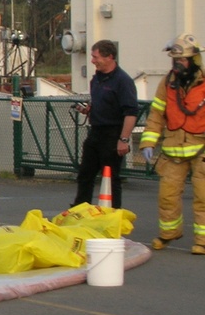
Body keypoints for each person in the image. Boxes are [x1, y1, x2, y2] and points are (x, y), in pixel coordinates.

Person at [138, 34, 205, 254]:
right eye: (175, 60)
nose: (178, 64)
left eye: (182, 60)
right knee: (167, 194)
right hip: (174, 147)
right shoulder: (167, 83)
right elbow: (157, 114)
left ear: (193, 60)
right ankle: (169, 233)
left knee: (203, 196)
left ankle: (202, 241)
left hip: (201, 147)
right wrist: (148, 142)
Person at [71, 39, 139, 209]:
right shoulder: (97, 80)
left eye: (95, 57)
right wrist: (89, 110)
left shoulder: (123, 81)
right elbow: (101, 103)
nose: (93, 60)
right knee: (85, 174)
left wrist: (123, 139)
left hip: (113, 133)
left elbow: (131, 112)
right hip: (96, 131)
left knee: (111, 177)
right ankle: (80, 209)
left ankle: (113, 213)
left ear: (109, 57)